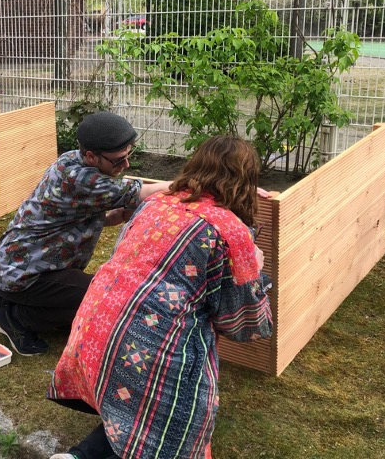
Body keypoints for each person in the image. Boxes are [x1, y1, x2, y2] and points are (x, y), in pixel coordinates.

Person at [46, 135, 273, 459]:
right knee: (174, 422)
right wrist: (254, 270)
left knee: (135, 406)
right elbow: (245, 324)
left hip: (93, 329)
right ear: (246, 180)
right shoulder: (231, 231)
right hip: (144, 349)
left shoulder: (157, 202)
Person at [0, 111, 172, 356]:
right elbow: (141, 192)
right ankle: (15, 317)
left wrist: (116, 216)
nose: (126, 165)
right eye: (118, 161)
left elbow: (82, 218)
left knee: (84, 298)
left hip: (13, 262)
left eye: (129, 156)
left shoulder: (70, 159)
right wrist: (192, 183)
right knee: (100, 296)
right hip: (26, 273)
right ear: (91, 155)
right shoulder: (82, 180)